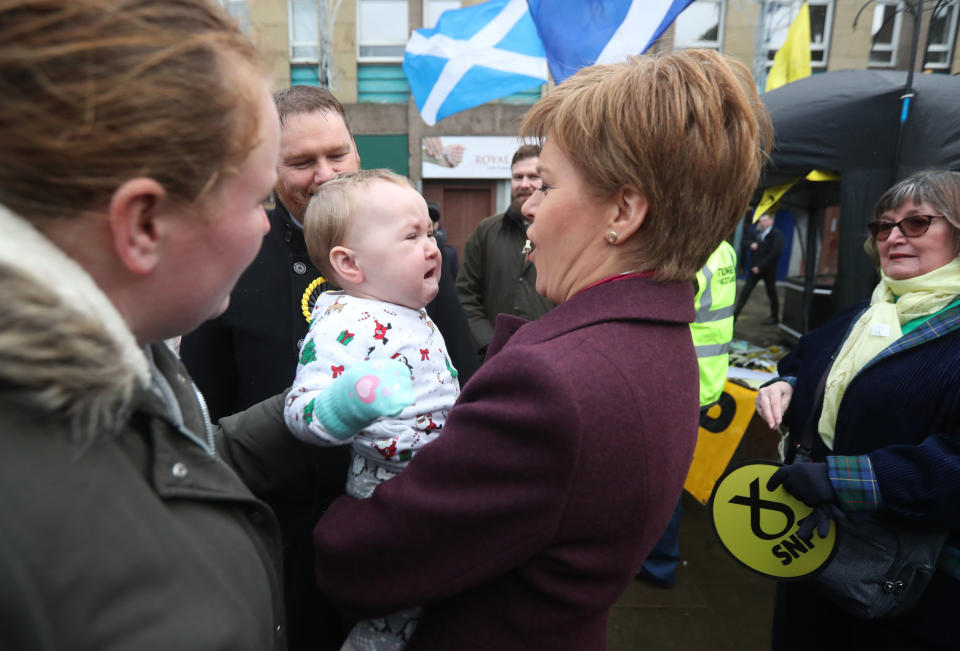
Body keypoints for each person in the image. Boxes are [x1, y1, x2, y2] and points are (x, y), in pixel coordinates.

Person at [304, 49, 771, 649]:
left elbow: (360, 563)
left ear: (624, 212)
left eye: (546, 185)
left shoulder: (557, 385)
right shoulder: (656, 336)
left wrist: (339, 503)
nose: (528, 208)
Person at [0, 1, 333, 647]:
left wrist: (313, 410)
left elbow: (177, 458)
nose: (268, 223)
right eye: (259, 196)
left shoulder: (127, 355)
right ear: (144, 225)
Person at [179, 85, 477, 650]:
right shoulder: (236, 261)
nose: (324, 173)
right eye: (301, 161)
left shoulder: (409, 253)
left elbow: (462, 377)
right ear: (269, 170)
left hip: (402, 522)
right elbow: (207, 418)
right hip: (284, 540)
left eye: (337, 154)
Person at [755, 170, 960, 650]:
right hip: (815, 550)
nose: (892, 237)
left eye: (916, 224)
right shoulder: (864, 313)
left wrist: (842, 478)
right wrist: (786, 385)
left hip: (910, 585)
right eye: (883, 226)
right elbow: (805, 363)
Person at [285, 170, 460, 650]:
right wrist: (355, 400)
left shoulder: (406, 306)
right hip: (389, 498)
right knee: (390, 623)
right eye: (412, 236)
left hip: (435, 486)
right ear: (350, 264)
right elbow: (301, 410)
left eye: (431, 232)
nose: (433, 247)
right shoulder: (343, 325)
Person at [638, 240, 738, 589]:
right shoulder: (723, 248)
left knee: (658, 478)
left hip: (677, 380)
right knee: (670, 474)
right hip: (702, 379)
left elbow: (655, 316)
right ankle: (657, 560)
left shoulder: (686, 248)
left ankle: (656, 564)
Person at [456, 144, 555, 359]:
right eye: (517, 177)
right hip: (496, 359)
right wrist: (490, 344)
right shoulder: (486, 231)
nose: (524, 184)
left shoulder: (564, 232)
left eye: (533, 177)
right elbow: (466, 294)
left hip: (553, 356)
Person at [733, 212, 783, 324]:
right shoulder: (757, 233)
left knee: (772, 293)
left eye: (764, 221)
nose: (762, 223)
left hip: (767, 271)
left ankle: (775, 317)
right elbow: (744, 241)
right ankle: (734, 316)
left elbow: (775, 253)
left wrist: (760, 266)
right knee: (745, 292)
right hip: (754, 270)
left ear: (771, 221)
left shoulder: (776, 235)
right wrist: (751, 244)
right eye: (760, 221)